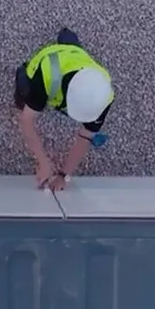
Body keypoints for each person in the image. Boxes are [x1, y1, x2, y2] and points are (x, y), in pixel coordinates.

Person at [14, 28, 114, 191]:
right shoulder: (47, 75)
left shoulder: (103, 96)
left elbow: (85, 136)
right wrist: (43, 161)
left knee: (72, 49)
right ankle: (21, 73)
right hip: (47, 63)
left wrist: (63, 175)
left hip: (75, 58)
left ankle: (67, 40)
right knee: (24, 90)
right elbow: (26, 120)